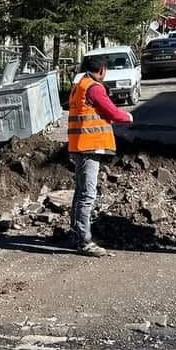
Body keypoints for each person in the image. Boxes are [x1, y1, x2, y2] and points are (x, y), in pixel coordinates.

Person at [67, 55, 133, 257]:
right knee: (87, 195)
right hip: (90, 147)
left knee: (80, 194)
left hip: (79, 146)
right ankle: (84, 241)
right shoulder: (94, 87)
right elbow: (111, 111)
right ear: (102, 70)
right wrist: (127, 116)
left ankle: (77, 235)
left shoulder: (79, 85)